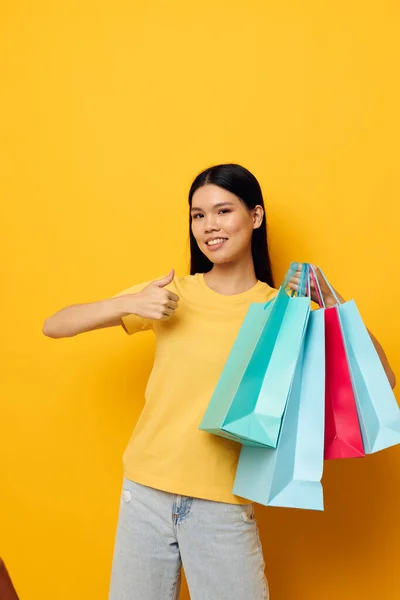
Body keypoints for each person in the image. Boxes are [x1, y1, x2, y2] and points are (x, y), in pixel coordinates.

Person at [43, 163, 396, 600]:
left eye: (223, 211)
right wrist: (131, 302)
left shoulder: (283, 312)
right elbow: (55, 325)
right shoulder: (173, 294)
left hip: (222, 505)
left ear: (256, 216)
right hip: (145, 495)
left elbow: (382, 380)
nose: (209, 226)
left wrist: (334, 310)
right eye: (198, 215)